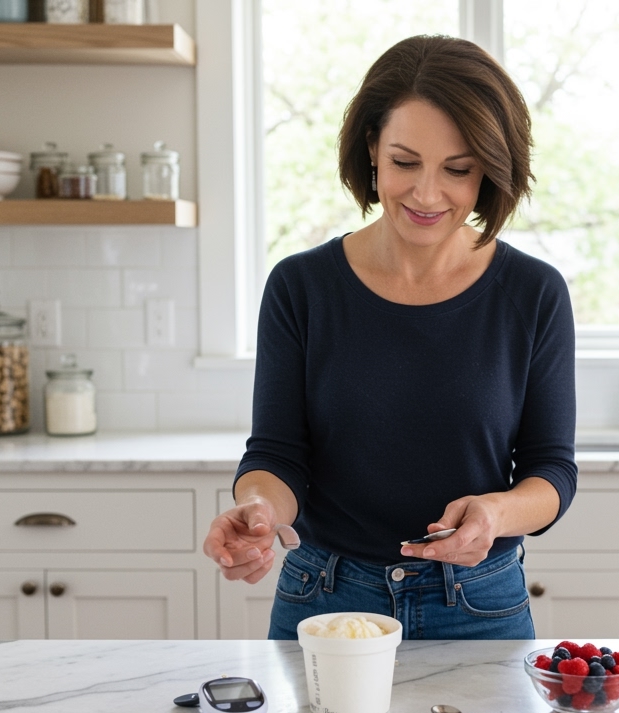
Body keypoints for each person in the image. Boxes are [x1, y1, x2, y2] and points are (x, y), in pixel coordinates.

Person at [202, 34, 577, 641]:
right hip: (324, 601)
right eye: (405, 162)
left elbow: (551, 471)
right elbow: (276, 454)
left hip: (478, 603)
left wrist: (496, 512)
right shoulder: (301, 287)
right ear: (372, 148)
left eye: (457, 170)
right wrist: (261, 513)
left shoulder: (533, 293)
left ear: (490, 169)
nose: (427, 194)